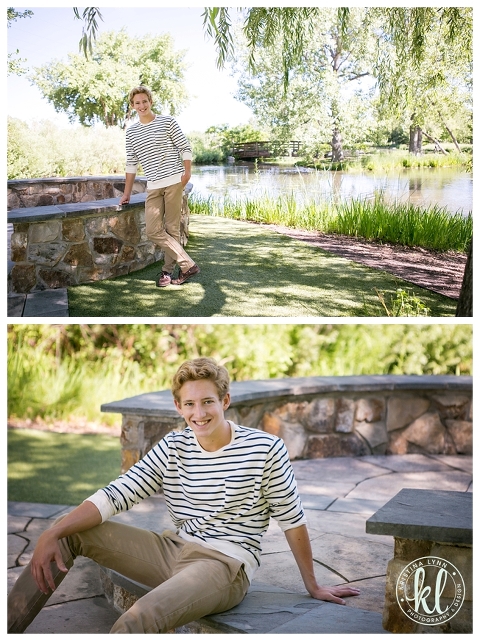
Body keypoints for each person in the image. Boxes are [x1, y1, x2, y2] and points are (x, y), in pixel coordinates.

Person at [7, 357, 360, 634]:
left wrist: (312, 585)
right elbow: (118, 493)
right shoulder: (175, 445)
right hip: (172, 550)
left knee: (135, 621)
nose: (199, 413)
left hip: (223, 566)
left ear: (225, 400)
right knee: (68, 531)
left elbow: (292, 519)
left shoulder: (264, 448)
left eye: (208, 402)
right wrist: (52, 532)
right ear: (178, 407)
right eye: (189, 404)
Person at [118, 85, 200, 287]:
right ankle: (187, 264)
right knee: (153, 230)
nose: (142, 105)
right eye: (137, 103)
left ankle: (166, 272)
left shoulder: (167, 122)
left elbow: (185, 146)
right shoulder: (132, 133)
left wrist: (187, 172)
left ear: (150, 101)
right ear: (132, 106)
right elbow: (131, 165)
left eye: (145, 101)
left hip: (174, 181)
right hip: (153, 186)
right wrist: (126, 193)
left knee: (172, 229)